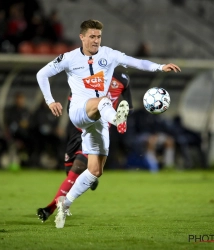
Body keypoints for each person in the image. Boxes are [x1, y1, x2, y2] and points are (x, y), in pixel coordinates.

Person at [36, 19, 181, 228]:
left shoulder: (109, 54)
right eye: (92, 36)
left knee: (95, 171)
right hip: (80, 110)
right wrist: (50, 101)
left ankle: (65, 205)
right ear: (82, 37)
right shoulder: (68, 58)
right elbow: (42, 74)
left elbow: (137, 62)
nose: (96, 40)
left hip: (99, 119)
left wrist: (160, 67)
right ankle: (116, 118)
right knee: (104, 101)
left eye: (99, 37)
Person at [37, 71, 134, 222]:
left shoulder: (123, 79)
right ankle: (89, 179)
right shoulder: (88, 75)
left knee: (76, 169)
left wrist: (122, 113)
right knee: (70, 170)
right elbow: (72, 103)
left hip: (96, 129)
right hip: (77, 129)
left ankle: (51, 208)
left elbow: (129, 106)